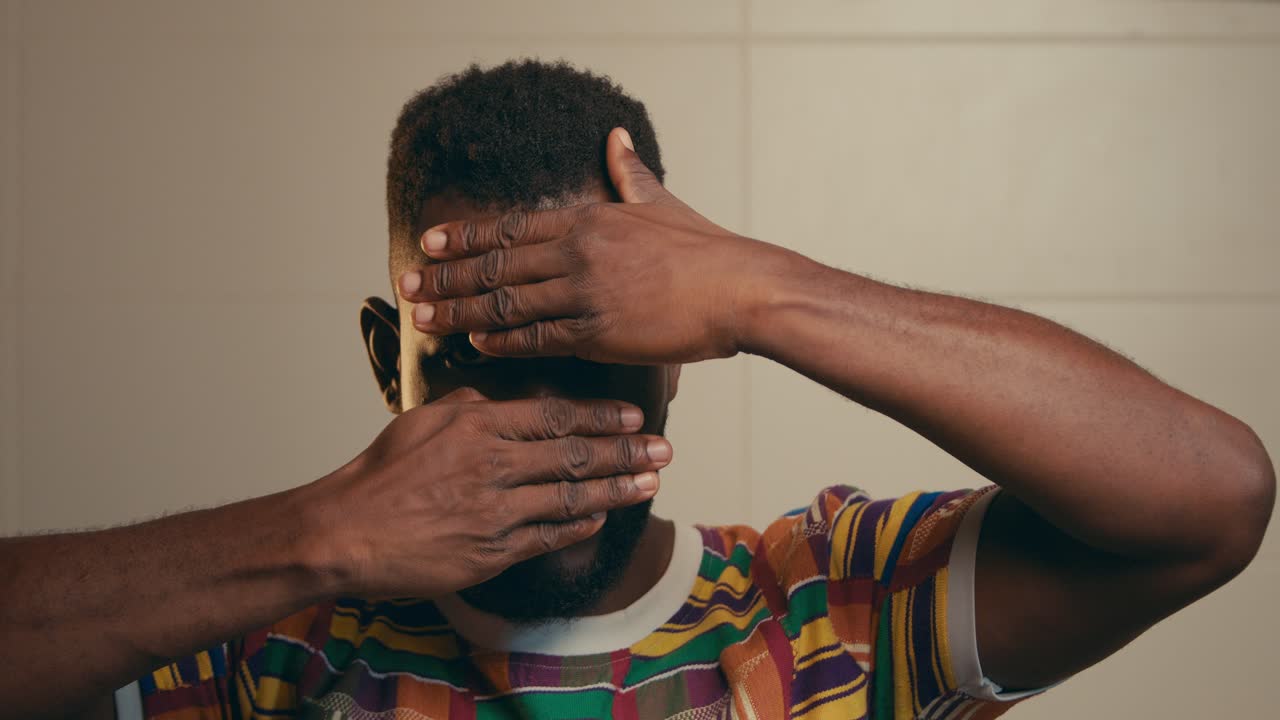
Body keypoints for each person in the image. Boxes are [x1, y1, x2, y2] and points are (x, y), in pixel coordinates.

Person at [1, 59, 1273, 720]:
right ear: (390, 361)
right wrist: (314, 536)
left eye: (589, 355)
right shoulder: (261, 632)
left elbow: (1209, 500)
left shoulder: (823, 615)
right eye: (476, 366)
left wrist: (758, 292)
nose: (538, 427)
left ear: (672, 359)